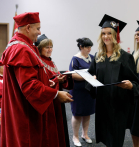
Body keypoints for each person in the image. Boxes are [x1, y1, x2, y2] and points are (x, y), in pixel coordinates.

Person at [0, 12, 73, 147]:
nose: (40, 33)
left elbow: (28, 78)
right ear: (28, 28)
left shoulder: (19, 45)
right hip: (26, 112)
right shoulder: (22, 49)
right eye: (38, 28)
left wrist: (46, 82)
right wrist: (56, 94)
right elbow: (28, 85)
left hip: (21, 107)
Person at [85, 14, 139, 147]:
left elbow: (136, 83)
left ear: (116, 36)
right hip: (102, 104)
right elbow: (90, 76)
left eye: (109, 33)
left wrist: (130, 86)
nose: (106, 36)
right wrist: (92, 79)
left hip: (118, 106)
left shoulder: (125, 57)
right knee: (105, 136)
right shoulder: (98, 57)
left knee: (116, 139)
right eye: (103, 33)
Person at [35, 34, 70, 147]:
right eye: (47, 47)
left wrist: (65, 78)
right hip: (48, 101)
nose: (50, 50)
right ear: (40, 48)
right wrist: (56, 80)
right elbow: (42, 83)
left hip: (57, 100)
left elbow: (56, 78)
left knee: (59, 126)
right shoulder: (39, 62)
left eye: (51, 47)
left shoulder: (51, 62)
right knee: (50, 128)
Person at [69, 38, 95, 146]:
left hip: (89, 90)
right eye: (87, 47)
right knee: (77, 114)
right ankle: (75, 136)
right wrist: (88, 77)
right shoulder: (75, 59)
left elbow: (96, 71)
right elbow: (73, 75)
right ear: (81, 47)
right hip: (78, 90)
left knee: (87, 113)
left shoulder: (92, 58)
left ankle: (85, 134)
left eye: (90, 47)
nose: (89, 49)